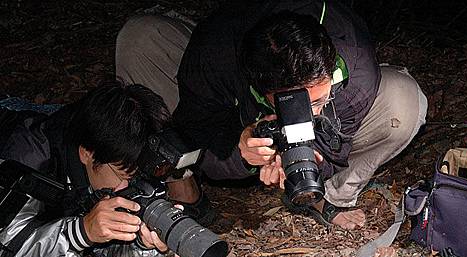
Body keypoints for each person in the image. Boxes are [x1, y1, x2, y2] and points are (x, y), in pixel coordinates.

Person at [115, 0, 428, 230]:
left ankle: (324, 196)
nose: (312, 111)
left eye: (318, 100)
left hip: (324, 55)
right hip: (228, 48)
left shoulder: (354, 65)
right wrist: (242, 150)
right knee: (140, 37)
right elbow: (195, 127)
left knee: (405, 102)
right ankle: (178, 182)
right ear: (260, 90)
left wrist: (303, 159)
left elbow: (335, 146)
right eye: (292, 104)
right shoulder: (215, 51)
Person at [0, 81, 175, 257]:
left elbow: (109, 256)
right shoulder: (29, 159)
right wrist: (81, 232)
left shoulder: (117, 156)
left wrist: (141, 242)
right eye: (124, 176)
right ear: (87, 153)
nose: (129, 188)